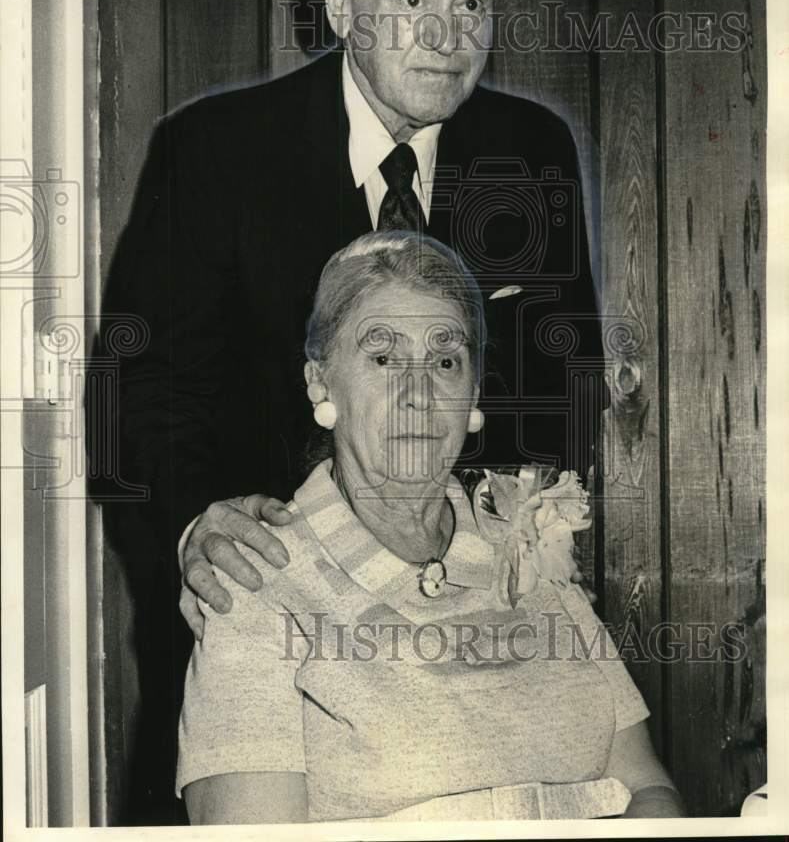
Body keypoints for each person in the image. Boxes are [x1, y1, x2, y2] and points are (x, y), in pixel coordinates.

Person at [94, 0, 605, 821]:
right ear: (340, 4)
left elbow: (559, 382)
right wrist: (192, 523)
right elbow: (144, 385)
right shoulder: (215, 150)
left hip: (464, 616)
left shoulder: (530, 151)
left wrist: (518, 553)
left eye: (471, 3)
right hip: (272, 617)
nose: (447, 38)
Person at [176, 231, 682, 823]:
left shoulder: (529, 545)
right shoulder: (256, 578)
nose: (418, 393)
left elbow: (650, 791)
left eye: (445, 360)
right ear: (320, 382)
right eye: (383, 357)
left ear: (472, 395)